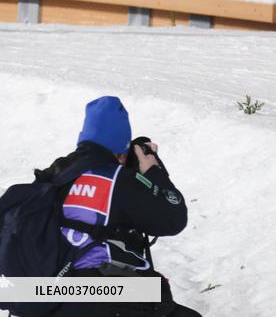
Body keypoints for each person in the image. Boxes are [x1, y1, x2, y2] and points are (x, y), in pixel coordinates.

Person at [38, 95, 199, 316]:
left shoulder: (56, 173)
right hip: (91, 291)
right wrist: (153, 172)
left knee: (154, 289)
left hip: (41, 289)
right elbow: (174, 220)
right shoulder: (116, 179)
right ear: (121, 149)